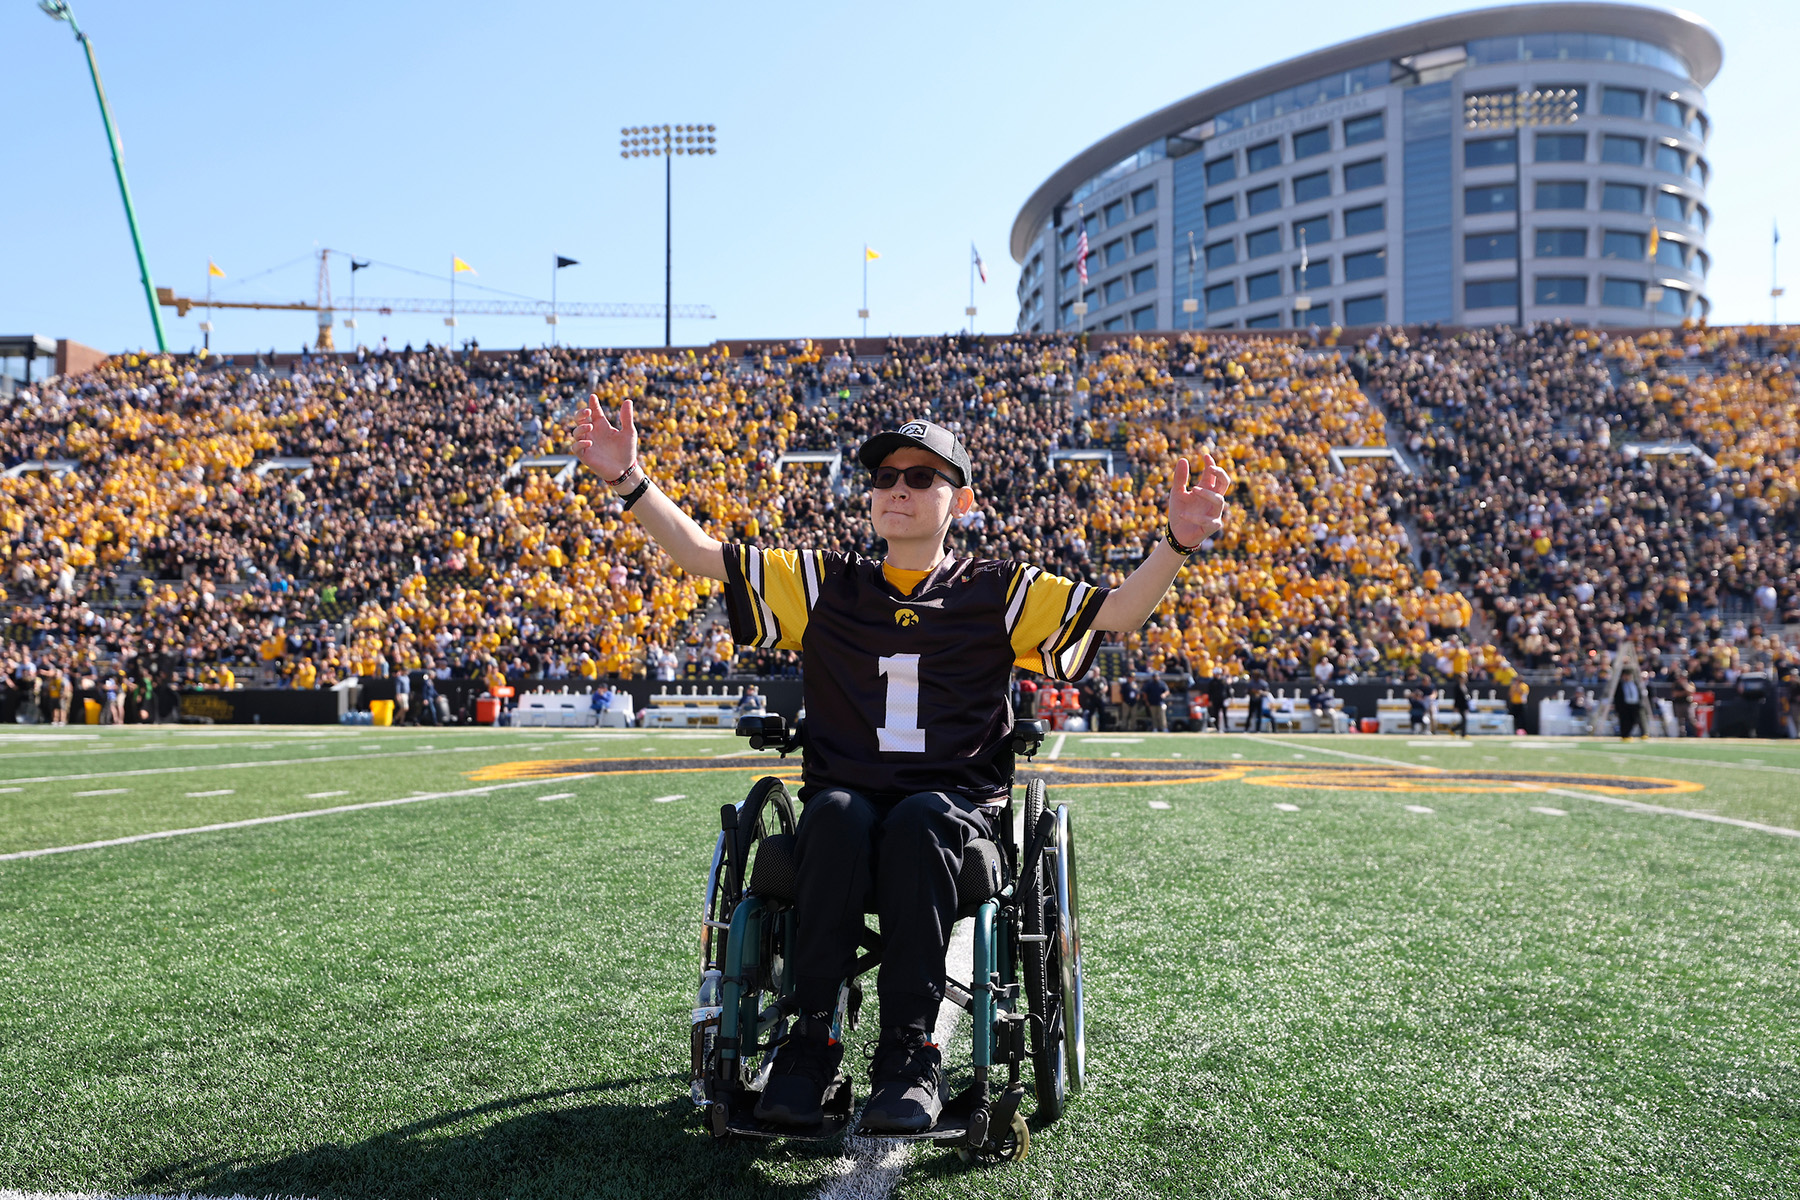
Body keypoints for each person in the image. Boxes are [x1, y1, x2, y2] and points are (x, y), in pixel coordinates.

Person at [574, 401, 1230, 1133]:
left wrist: (1176, 540)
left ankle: (910, 1052)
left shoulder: (1001, 592)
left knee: (920, 817)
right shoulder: (827, 583)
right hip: (844, 818)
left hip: (953, 821)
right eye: (886, 476)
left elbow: (1118, 613)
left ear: (963, 500)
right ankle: (809, 1039)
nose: (898, 489)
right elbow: (702, 554)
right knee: (834, 811)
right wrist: (629, 479)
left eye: (921, 476)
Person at [1615, 667, 1645, 741]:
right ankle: (1625, 735)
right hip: (1625, 706)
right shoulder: (1620, 684)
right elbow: (1618, 696)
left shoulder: (1635, 683)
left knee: (1636, 720)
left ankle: (1643, 733)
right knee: (1625, 721)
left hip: (1635, 704)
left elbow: (1639, 693)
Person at [1450, 673, 1471, 738]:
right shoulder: (1457, 686)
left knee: (1464, 720)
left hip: (1465, 705)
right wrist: (1456, 707)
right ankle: (1462, 733)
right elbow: (1456, 697)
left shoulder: (1464, 685)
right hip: (1460, 705)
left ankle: (1454, 729)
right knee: (1464, 719)